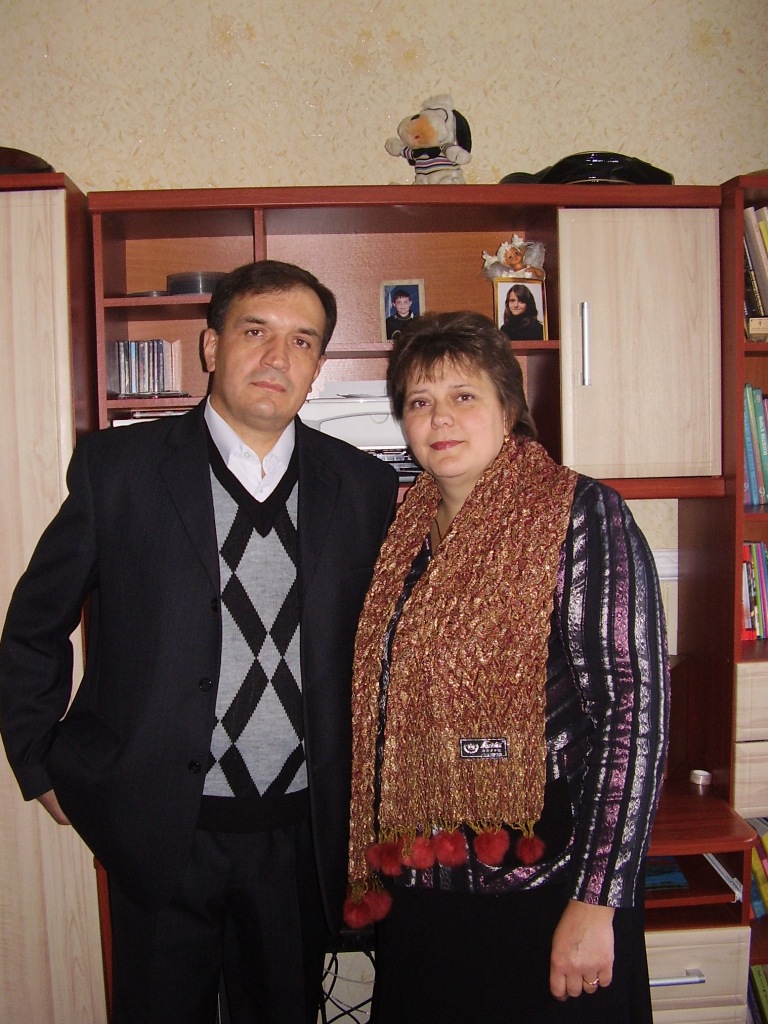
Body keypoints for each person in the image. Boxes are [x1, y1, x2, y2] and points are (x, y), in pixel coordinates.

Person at [0, 260, 399, 1024]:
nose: (278, 357)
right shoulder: (118, 470)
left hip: (298, 835)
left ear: (318, 365)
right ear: (211, 346)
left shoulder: (364, 488)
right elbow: (34, 624)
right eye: (256, 331)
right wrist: (36, 757)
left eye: (302, 341)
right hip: (155, 830)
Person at [344, 311, 669, 1024]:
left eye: (463, 395)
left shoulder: (581, 515)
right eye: (420, 400)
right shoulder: (406, 535)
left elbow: (632, 714)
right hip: (427, 881)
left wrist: (596, 900)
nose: (439, 418)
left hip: (549, 878)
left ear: (508, 409)